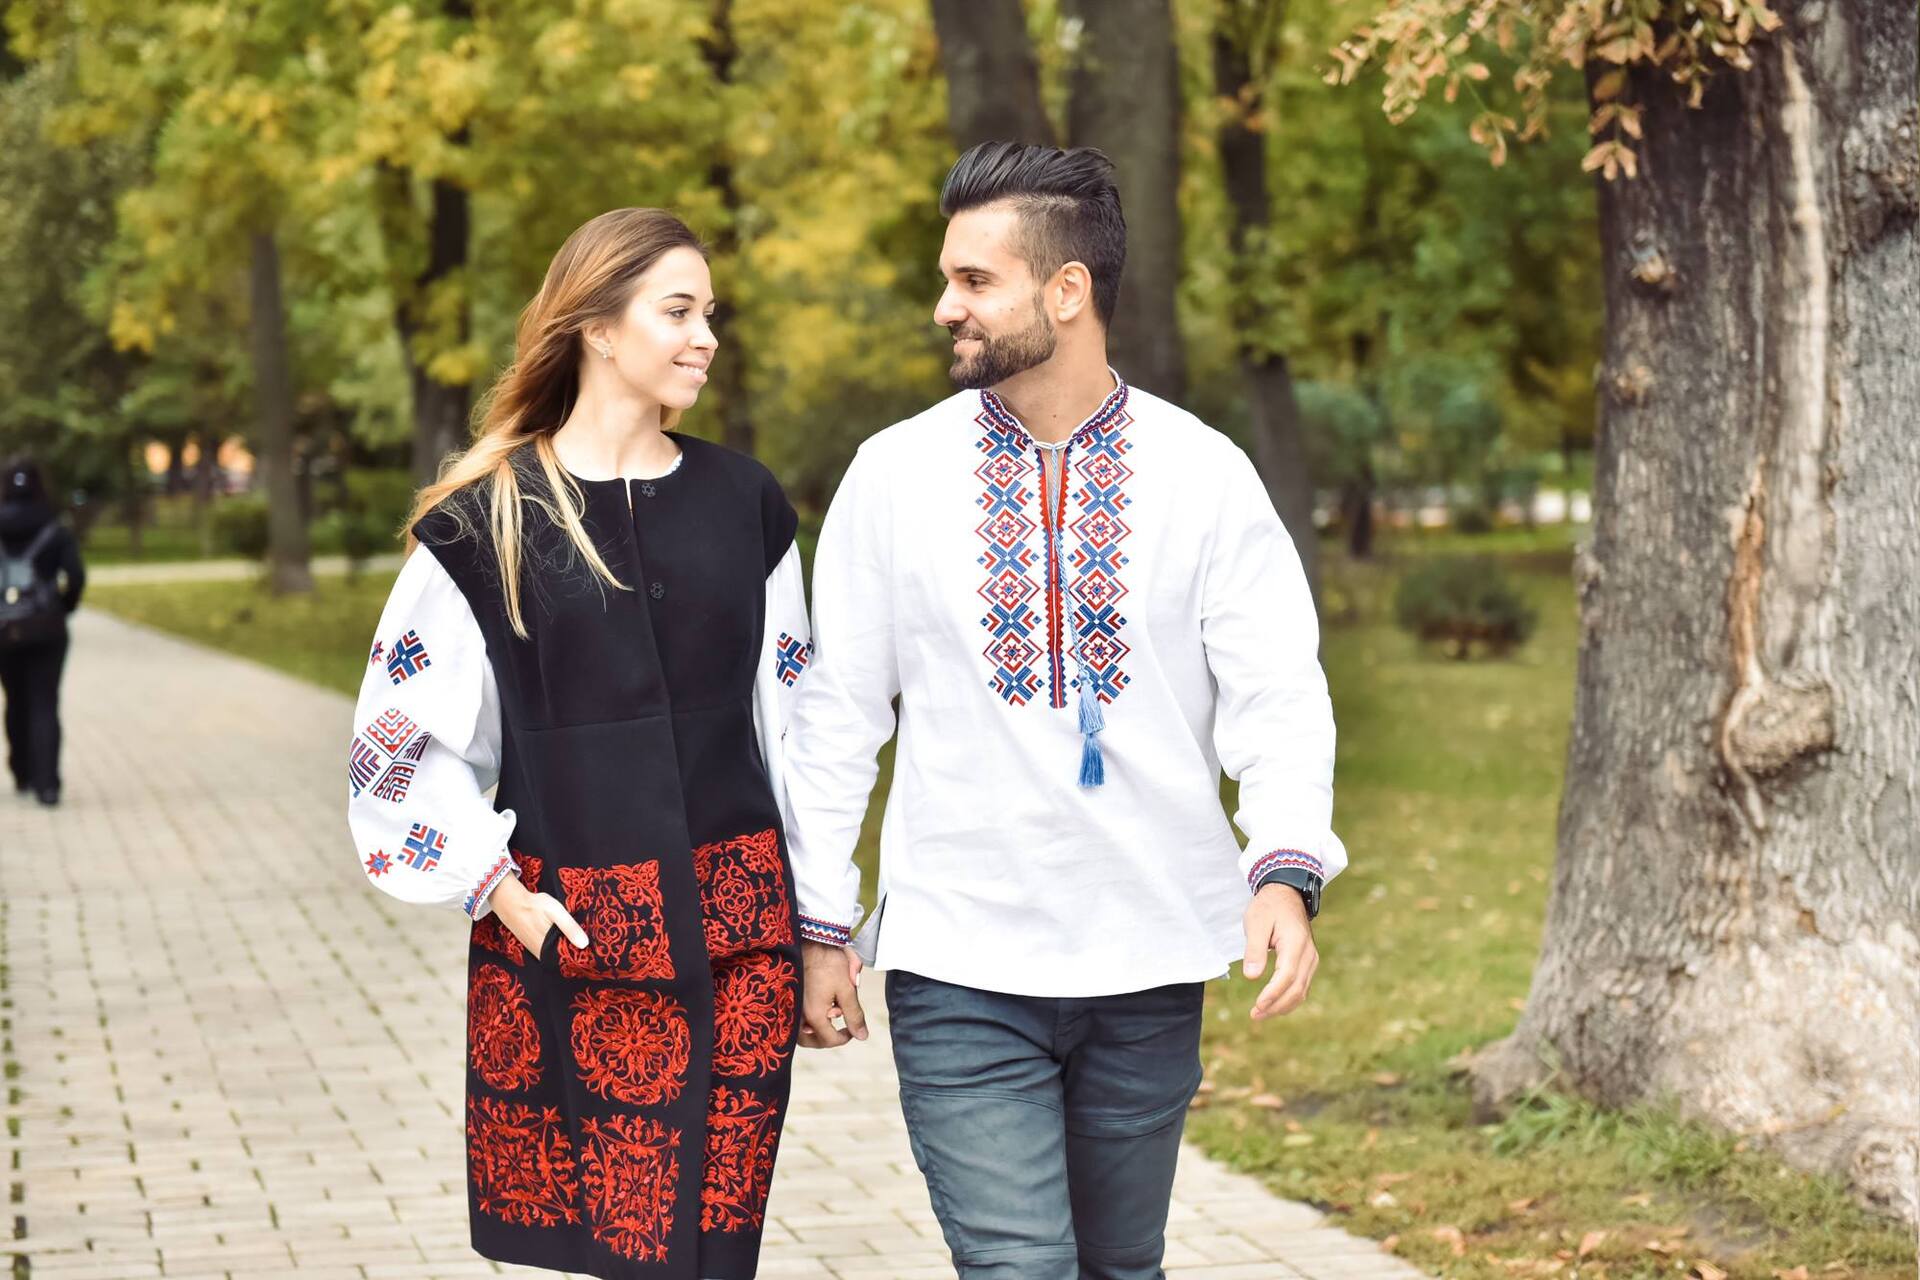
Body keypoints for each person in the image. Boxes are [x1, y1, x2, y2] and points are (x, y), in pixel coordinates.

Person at [784, 142, 1345, 1280]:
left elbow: (1278, 690)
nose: (947, 305)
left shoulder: (1206, 473)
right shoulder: (892, 476)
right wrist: (819, 918)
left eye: (974, 280)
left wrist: (1283, 867)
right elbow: (836, 715)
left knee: (1118, 1268)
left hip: (1148, 957)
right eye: (948, 278)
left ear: (1068, 289)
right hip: (961, 961)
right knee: (1021, 1266)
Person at [345, 209, 809, 1280]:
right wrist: (495, 886)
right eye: (679, 311)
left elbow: (801, 726)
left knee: (715, 1251)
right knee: (636, 1254)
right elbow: (394, 741)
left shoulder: (748, 505)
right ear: (599, 325)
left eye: (711, 314)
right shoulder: (485, 521)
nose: (706, 337)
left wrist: (819, 924)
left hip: (744, 937)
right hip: (580, 935)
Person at [0, 457, 85, 807]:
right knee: (44, 701)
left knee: (15, 699)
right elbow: (76, 576)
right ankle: (47, 784)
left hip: (3, 628)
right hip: (46, 627)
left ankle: (21, 770)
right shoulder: (55, 526)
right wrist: (63, 607)